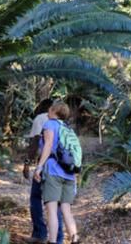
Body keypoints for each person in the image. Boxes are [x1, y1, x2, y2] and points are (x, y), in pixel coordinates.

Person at [34, 102, 80, 244]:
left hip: (53, 172)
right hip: (69, 173)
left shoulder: (49, 124)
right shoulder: (68, 129)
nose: (48, 109)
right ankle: (75, 239)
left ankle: (52, 241)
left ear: (53, 110)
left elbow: (48, 146)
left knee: (52, 210)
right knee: (66, 210)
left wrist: (39, 167)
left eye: (50, 107)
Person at [24, 99, 64, 244]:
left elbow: (35, 143)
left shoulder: (41, 119)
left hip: (46, 165)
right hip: (62, 168)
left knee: (36, 197)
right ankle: (59, 238)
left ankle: (40, 233)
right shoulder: (64, 124)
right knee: (56, 202)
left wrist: (28, 164)